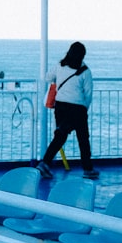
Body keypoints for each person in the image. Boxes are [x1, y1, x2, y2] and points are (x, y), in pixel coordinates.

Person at [33, 41, 96, 180]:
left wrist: (57, 82)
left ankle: (45, 162)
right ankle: (87, 168)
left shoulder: (60, 66)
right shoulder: (85, 71)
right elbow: (88, 93)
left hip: (61, 106)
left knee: (60, 135)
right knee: (83, 139)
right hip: (78, 108)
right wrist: (85, 108)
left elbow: (47, 77)